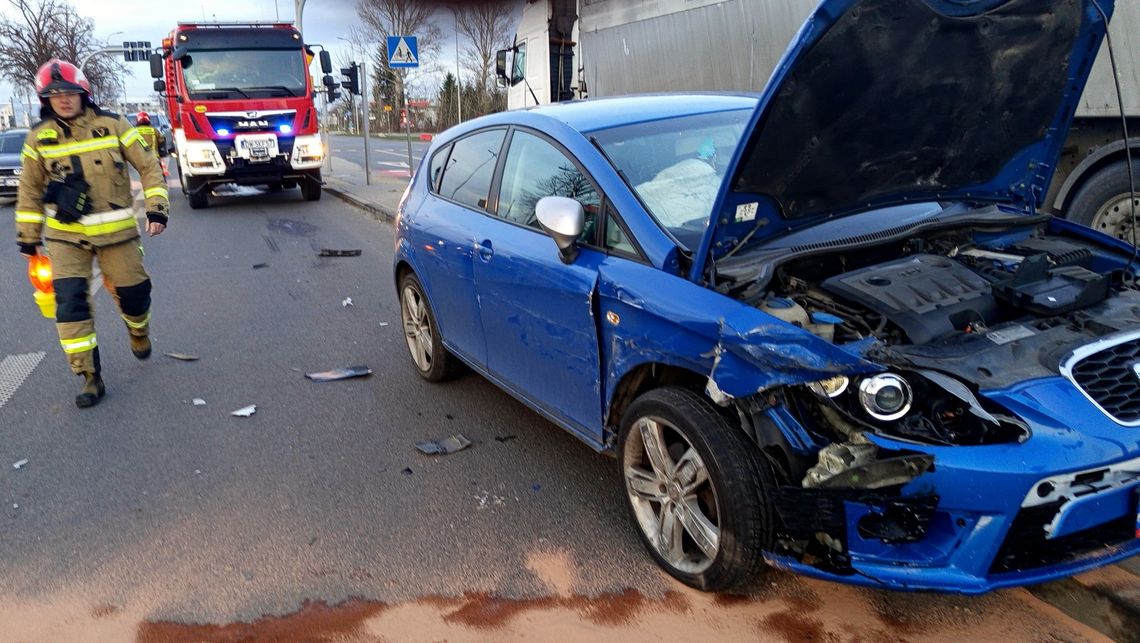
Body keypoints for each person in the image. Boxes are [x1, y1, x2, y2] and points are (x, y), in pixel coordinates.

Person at [14, 59, 170, 408]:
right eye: (55, 95)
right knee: (69, 305)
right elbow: (28, 189)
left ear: (84, 92)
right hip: (65, 238)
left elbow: (148, 166)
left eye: (70, 92)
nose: (64, 99)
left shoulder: (113, 125)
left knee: (135, 295)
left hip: (118, 235)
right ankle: (89, 377)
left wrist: (157, 207)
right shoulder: (38, 138)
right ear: (45, 100)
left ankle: (138, 331)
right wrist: (28, 236)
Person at [134, 111, 168, 177]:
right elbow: (162, 141)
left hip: (140, 159)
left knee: (144, 176)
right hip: (154, 158)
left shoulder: (134, 131)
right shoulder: (154, 130)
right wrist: (163, 154)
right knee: (160, 177)